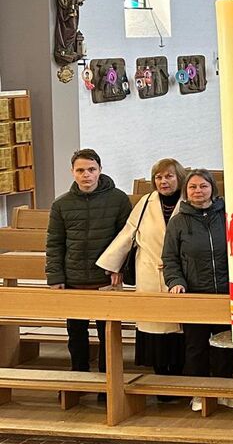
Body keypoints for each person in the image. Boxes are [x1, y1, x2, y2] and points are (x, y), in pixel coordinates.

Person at [95, 158, 185, 386]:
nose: (164, 181)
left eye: (169, 176)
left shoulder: (188, 201)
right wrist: (112, 265)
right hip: (149, 271)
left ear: (179, 177)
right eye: (159, 177)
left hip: (179, 273)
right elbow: (128, 233)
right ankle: (159, 377)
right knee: (154, 325)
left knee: (179, 328)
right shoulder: (146, 202)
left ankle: (180, 377)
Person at [46, 148, 132, 376]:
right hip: (74, 279)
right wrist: (55, 277)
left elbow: (127, 239)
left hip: (105, 278)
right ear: (72, 172)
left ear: (100, 170)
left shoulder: (118, 199)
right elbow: (55, 244)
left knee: (108, 333)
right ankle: (79, 375)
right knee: (76, 333)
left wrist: (120, 268)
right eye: (81, 170)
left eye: (91, 169)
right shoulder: (61, 204)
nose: (86, 175)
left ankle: (108, 380)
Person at [162, 169, 233, 410]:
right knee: (196, 346)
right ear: (186, 191)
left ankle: (225, 390)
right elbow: (170, 258)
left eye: (203, 186)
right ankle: (199, 393)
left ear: (212, 189)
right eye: (193, 187)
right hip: (195, 293)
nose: (198, 191)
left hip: (226, 292)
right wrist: (176, 282)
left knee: (225, 344)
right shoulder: (178, 222)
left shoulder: (228, 216)